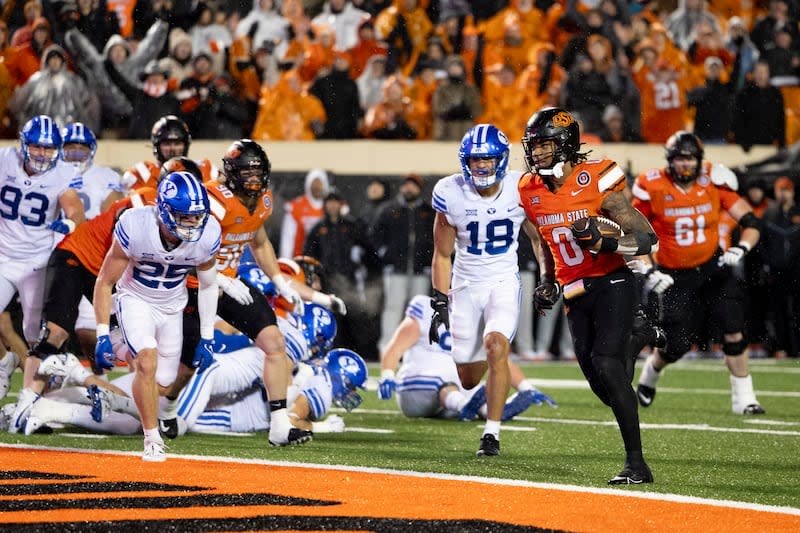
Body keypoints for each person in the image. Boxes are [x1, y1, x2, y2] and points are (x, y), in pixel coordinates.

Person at [518, 107, 659, 485]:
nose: (537, 153)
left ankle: (637, 465)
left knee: (608, 365)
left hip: (613, 279)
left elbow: (647, 238)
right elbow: (542, 240)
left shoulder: (595, 177)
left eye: (545, 145)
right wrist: (548, 280)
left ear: (565, 144)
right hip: (575, 289)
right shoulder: (528, 188)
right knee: (604, 385)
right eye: (533, 146)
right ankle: (640, 337)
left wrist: (606, 242)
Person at [179, 140, 343, 447]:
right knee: (181, 366)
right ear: (231, 173)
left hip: (229, 283)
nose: (254, 179)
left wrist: (279, 280)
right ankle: (160, 409)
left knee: (274, 341)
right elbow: (189, 249)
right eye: (247, 172)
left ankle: (279, 426)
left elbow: (260, 242)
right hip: (193, 284)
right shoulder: (214, 201)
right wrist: (218, 279)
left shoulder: (263, 201)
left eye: (258, 172)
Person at [632, 131, 765, 415]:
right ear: (670, 160)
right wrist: (648, 269)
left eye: (690, 158)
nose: (685, 165)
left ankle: (745, 399)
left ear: (699, 160)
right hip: (672, 275)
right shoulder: (651, 185)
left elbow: (752, 221)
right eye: (679, 158)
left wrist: (741, 247)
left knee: (733, 325)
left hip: (711, 266)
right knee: (677, 344)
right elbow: (634, 232)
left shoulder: (713, 180)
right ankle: (651, 374)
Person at [92, 171, 222, 461]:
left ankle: (121, 344)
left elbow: (210, 284)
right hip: (135, 298)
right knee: (147, 363)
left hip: (173, 306)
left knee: (162, 385)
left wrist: (207, 336)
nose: (192, 223)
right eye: (183, 216)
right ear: (163, 210)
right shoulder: (136, 225)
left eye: (196, 216)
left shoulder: (209, 233)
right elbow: (105, 281)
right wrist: (100, 331)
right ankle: (152, 439)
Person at [429, 123, 540, 457]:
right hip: (464, 285)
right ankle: (484, 378)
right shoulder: (450, 191)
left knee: (496, 346)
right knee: (466, 377)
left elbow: (537, 238)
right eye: (475, 160)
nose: (480, 166)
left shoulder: (520, 188)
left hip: (503, 280)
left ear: (501, 160)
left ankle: (491, 433)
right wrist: (439, 299)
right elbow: (442, 254)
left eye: (487, 159)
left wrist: (551, 278)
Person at [1, 115, 87, 434]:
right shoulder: (5, 160)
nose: (41, 154)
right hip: (2, 256)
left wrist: (70, 222)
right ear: (23, 145)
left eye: (48, 148)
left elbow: (74, 207)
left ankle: (39, 402)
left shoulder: (63, 172)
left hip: (37, 261)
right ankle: (3, 365)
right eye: (36, 146)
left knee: (38, 336)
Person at [379, 294, 555, 421]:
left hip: (452, 393)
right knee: (443, 383)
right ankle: (466, 406)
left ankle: (487, 411)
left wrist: (527, 387)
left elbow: (499, 359)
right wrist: (387, 375)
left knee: (477, 387)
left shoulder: (476, 319)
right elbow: (395, 348)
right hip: (416, 389)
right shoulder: (426, 308)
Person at [372, 173, 435, 351]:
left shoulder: (426, 211)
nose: (409, 188)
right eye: (407, 185)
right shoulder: (390, 210)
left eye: (413, 185)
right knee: (393, 308)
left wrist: (429, 261)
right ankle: (387, 347)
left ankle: (417, 346)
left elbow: (434, 238)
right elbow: (375, 235)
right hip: (396, 269)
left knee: (419, 310)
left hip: (420, 269)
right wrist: (385, 255)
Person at [121, 115, 218, 191]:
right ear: (156, 145)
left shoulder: (205, 169)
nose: (173, 148)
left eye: (177, 143)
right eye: (167, 143)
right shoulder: (141, 174)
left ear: (186, 144)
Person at [279, 168, 330, 259]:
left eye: (319, 183)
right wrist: (286, 260)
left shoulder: (330, 206)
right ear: (308, 184)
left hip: (325, 262)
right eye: (314, 183)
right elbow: (287, 238)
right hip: (300, 259)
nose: (317, 187)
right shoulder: (296, 207)